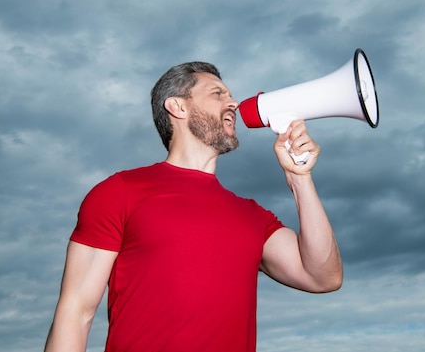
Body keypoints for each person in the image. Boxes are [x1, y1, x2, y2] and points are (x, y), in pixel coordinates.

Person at [44, 61, 343, 352]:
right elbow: (76, 312)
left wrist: (299, 177)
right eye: (218, 93)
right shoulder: (120, 192)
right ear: (178, 107)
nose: (234, 102)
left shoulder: (253, 216)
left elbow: (323, 276)